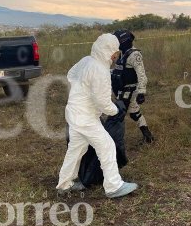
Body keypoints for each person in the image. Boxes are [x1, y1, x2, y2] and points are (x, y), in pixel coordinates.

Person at [57, 33, 138, 199]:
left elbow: (71, 75)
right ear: (108, 51)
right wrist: (116, 110)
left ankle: (64, 184)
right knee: (107, 146)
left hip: (74, 112)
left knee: (76, 149)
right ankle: (113, 186)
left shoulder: (87, 60)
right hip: (85, 117)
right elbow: (103, 103)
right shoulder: (100, 71)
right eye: (115, 52)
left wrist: (83, 87)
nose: (117, 55)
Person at [112, 30, 155, 143]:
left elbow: (141, 74)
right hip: (122, 89)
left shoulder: (134, 55)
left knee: (117, 115)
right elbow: (118, 71)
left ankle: (113, 142)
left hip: (130, 90)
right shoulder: (122, 54)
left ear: (123, 41)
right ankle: (148, 137)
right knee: (134, 113)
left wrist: (141, 92)